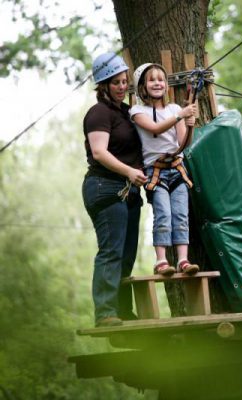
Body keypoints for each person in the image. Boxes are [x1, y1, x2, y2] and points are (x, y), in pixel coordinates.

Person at [82, 52, 147, 327]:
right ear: (104, 84)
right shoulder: (99, 113)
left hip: (129, 192)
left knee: (127, 253)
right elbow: (99, 152)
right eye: (116, 82)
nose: (122, 86)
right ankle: (105, 312)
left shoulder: (125, 112)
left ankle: (121, 310)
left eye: (124, 81)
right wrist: (130, 172)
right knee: (112, 251)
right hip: (105, 187)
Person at [130, 63, 200, 276]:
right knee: (163, 214)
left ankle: (183, 260)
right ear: (142, 86)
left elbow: (183, 143)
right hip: (156, 171)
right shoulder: (137, 111)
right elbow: (155, 128)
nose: (157, 83)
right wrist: (181, 116)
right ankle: (161, 260)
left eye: (161, 79)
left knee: (180, 214)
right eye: (152, 79)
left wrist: (190, 123)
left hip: (176, 169)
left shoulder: (175, 109)